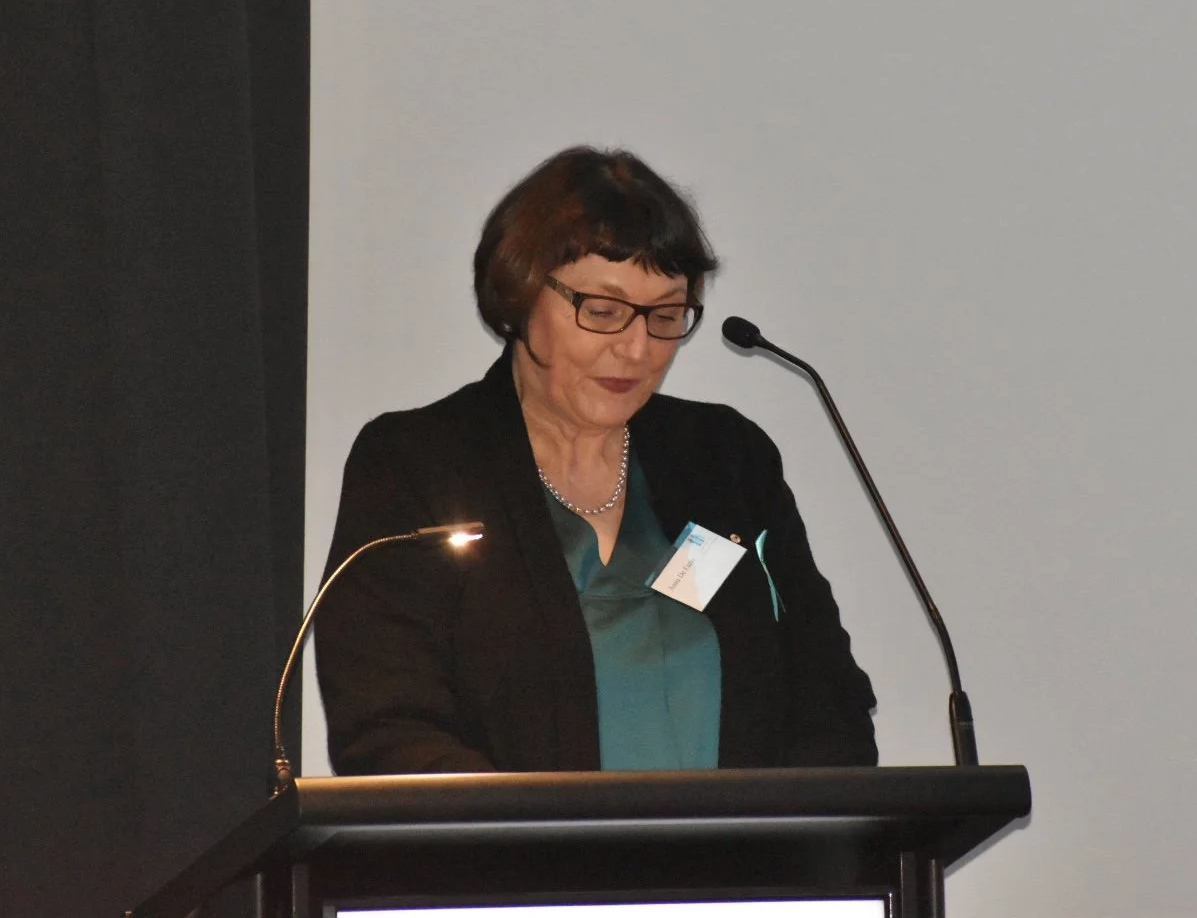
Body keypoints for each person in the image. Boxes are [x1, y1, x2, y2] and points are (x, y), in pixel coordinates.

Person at [316, 146, 877, 774]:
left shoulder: (725, 460)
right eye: (603, 312)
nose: (637, 349)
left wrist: (797, 847)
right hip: (518, 869)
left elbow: (827, 697)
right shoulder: (417, 465)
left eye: (666, 316)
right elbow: (388, 727)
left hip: (739, 868)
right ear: (520, 293)